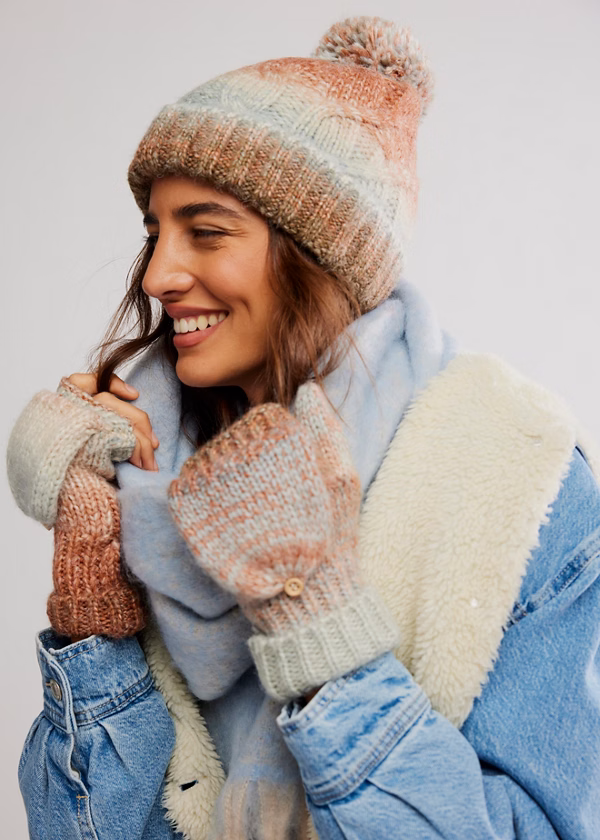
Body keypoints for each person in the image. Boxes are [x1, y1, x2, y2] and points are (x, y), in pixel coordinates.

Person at [6, 15, 600, 840]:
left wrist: (314, 616)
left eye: (205, 232)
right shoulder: (144, 474)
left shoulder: (516, 477)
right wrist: (93, 583)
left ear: (318, 253)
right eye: (154, 233)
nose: (157, 275)